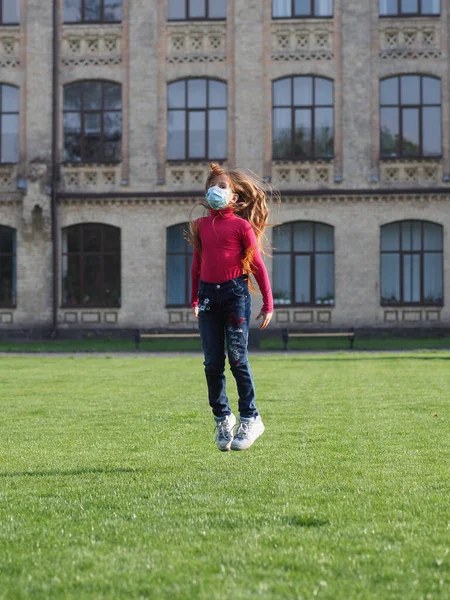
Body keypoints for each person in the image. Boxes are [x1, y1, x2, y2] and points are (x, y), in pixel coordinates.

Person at [189, 162, 274, 452]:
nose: (215, 190)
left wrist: (268, 302)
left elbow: (257, 265)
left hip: (235, 294)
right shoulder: (200, 226)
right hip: (208, 296)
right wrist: (195, 298)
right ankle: (222, 417)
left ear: (235, 197)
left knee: (237, 358)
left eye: (222, 186)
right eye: (212, 186)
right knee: (212, 363)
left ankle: (251, 417)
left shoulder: (241, 226)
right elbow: (197, 265)